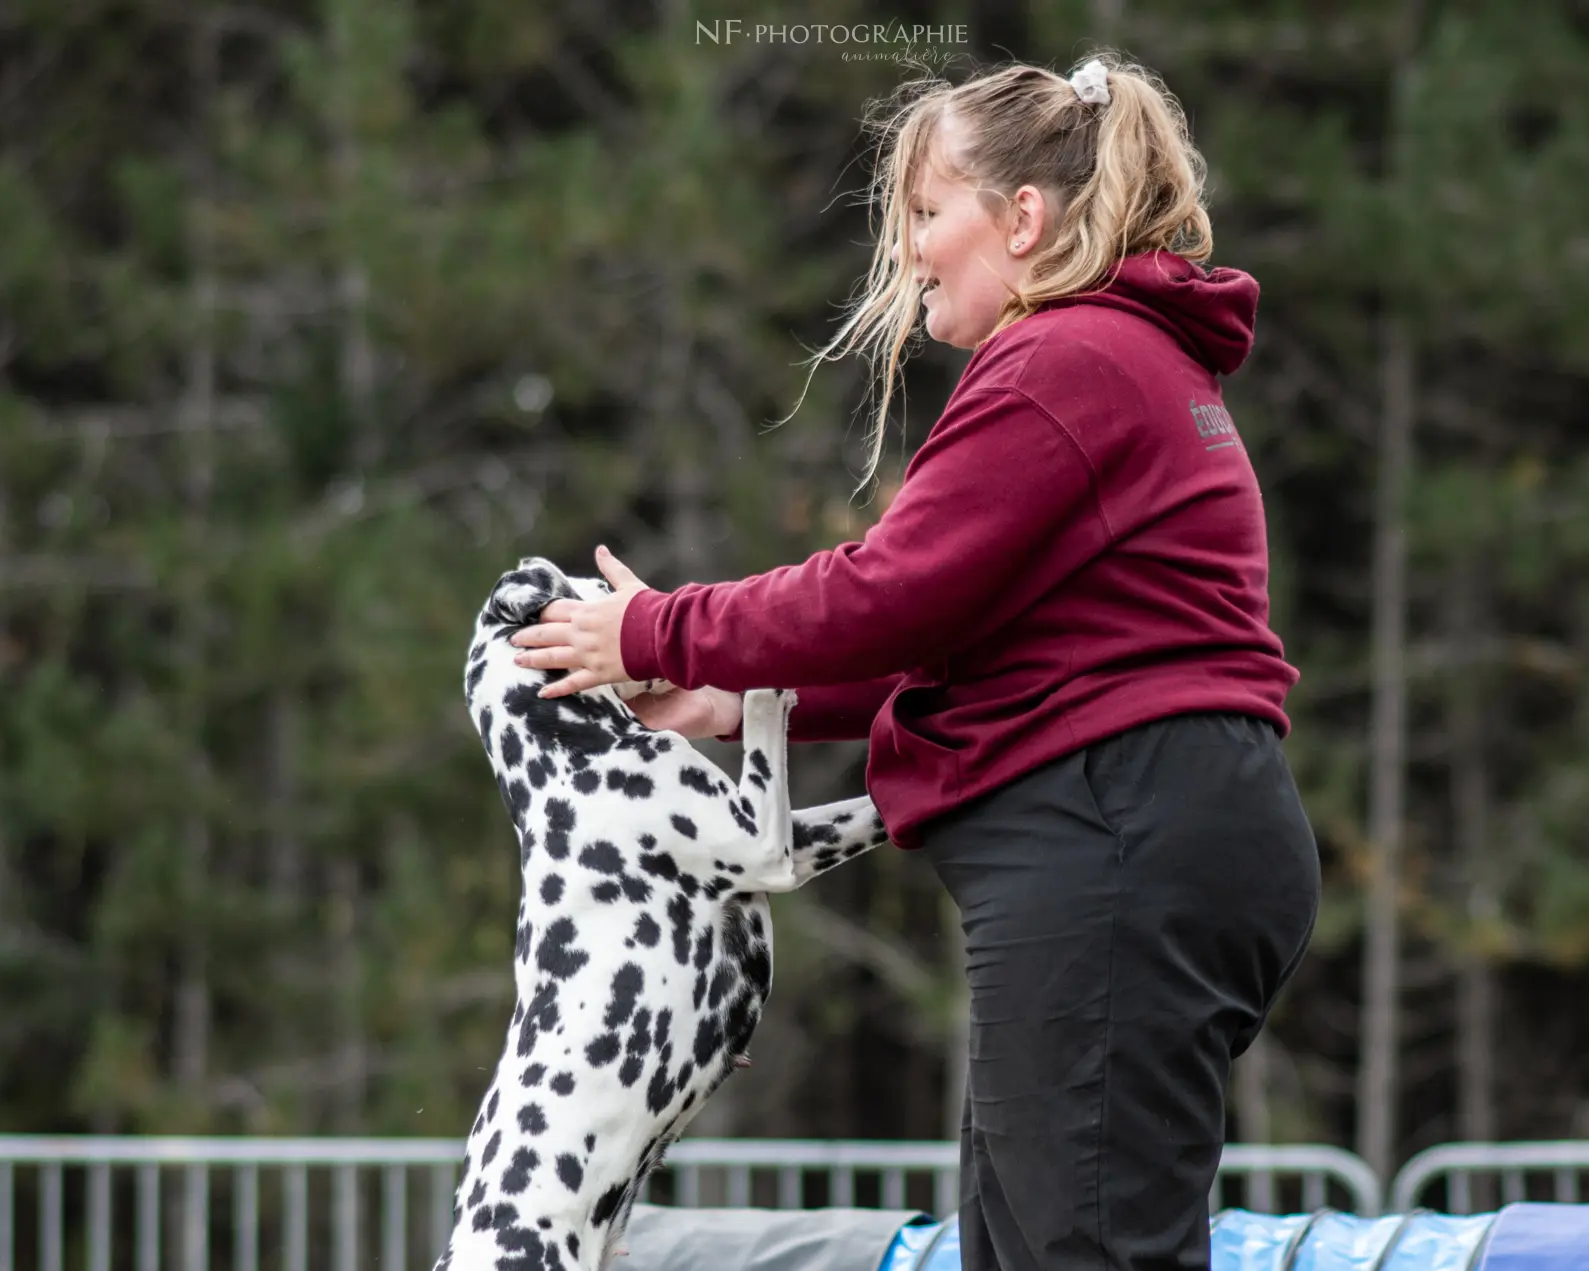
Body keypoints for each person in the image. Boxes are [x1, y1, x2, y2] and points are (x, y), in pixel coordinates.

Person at [510, 53, 1322, 1271]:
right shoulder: (1128, 360)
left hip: (1115, 845)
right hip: (1154, 836)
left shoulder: (1064, 363)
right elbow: (977, 639)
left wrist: (652, 630)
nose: (906, 252)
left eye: (926, 215)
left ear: (1023, 219)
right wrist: (745, 694)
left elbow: (892, 590)